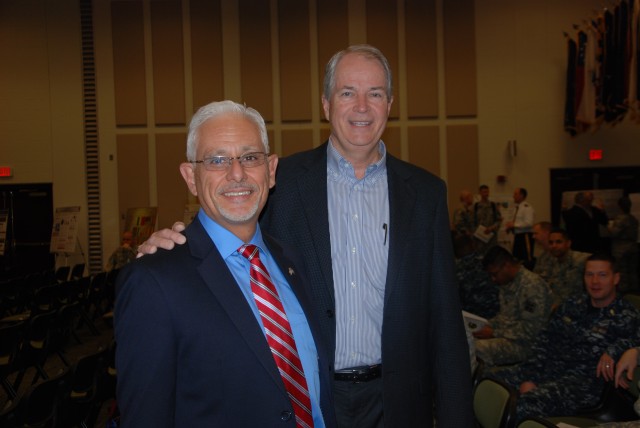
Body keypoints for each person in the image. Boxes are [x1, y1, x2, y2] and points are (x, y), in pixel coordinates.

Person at [138, 44, 474, 427]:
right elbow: (225, 235)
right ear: (327, 105)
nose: (362, 106)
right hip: (310, 397)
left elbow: (445, 322)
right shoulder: (278, 183)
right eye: (347, 93)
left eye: (375, 94)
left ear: (390, 103)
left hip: (399, 403)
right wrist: (171, 246)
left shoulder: (426, 194)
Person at [115, 101, 336, 427]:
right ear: (191, 177)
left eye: (250, 157)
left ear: (271, 170)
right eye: (217, 160)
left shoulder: (292, 261)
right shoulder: (154, 281)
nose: (237, 174)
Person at [491, 253, 640, 423]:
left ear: (616, 278)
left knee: (523, 405)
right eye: (589, 274)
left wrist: (616, 350)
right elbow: (545, 340)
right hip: (549, 370)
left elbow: (636, 343)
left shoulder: (626, 315)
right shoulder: (573, 304)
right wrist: (532, 377)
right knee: (489, 383)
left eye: (602, 275)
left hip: (584, 385)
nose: (595, 281)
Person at [473, 245, 552, 366]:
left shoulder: (532, 286)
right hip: (508, 337)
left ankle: (485, 381)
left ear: (506, 265)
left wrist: (494, 332)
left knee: (477, 348)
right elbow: (505, 317)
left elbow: (531, 330)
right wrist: (485, 325)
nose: (493, 279)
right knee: (466, 341)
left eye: (494, 274)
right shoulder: (507, 282)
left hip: (526, 345)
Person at [539, 228, 590, 307]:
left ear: (568, 243)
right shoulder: (550, 262)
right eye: (551, 243)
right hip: (555, 307)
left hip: (578, 307)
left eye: (558, 242)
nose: (554, 246)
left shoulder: (582, 260)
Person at [453, 233, 500, 319]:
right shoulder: (490, 263)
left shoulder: (453, 271)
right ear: (473, 244)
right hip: (497, 316)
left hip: (470, 319)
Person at [608, 196, 639, 293]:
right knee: (633, 270)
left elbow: (614, 232)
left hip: (621, 248)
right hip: (633, 245)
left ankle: (623, 292)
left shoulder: (620, 218)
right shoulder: (633, 218)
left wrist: (609, 226)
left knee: (621, 270)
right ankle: (635, 291)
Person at [505, 187, 535, 268]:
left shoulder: (527, 207)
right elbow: (518, 223)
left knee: (526, 259)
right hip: (518, 236)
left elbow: (529, 223)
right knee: (516, 258)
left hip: (525, 237)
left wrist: (514, 225)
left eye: (515, 194)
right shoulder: (517, 208)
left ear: (521, 195)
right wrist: (511, 228)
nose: (513, 196)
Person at [473, 184, 503, 251]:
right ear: (480, 193)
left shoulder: (493, 205)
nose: (486, 194)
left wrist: (491, 228)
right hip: (479, 238)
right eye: (484, 192)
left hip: (491, 237)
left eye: (487, 192)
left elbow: (499, 220)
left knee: (492, 254)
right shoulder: (476, 206)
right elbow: (472, 222)